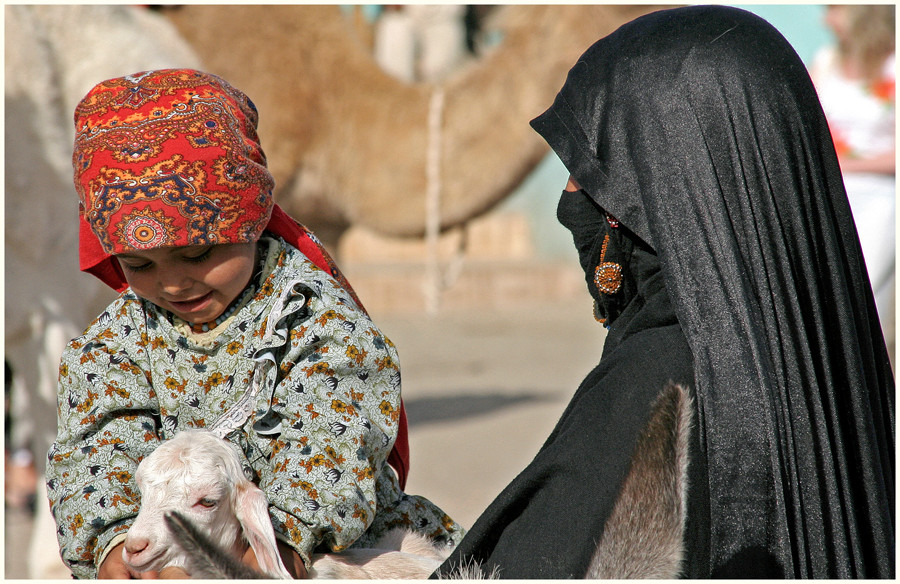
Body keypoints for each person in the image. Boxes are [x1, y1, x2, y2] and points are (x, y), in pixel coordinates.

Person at [435, 5, 894, 579]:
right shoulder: (832, 362)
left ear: (659, 184)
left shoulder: (659, 383)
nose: (573, 199)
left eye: (590, 171)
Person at [45, 69, 464, 579]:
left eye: (197, 252)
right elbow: (95, 443)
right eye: (140, 266)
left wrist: (265, 553)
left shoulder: (316, 323)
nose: (174, 284)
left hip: (317, 553)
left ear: (247, 217)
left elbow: (331, 442)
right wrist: (111, 545)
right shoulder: (115, 343)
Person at [810, 4, 895, 350]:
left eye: (835, 9)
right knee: (825, 293)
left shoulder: (894, 66)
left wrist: (847, 166)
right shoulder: (826, 60)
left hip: (879, 198)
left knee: (866, 295)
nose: (826, 19)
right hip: (828, 192)